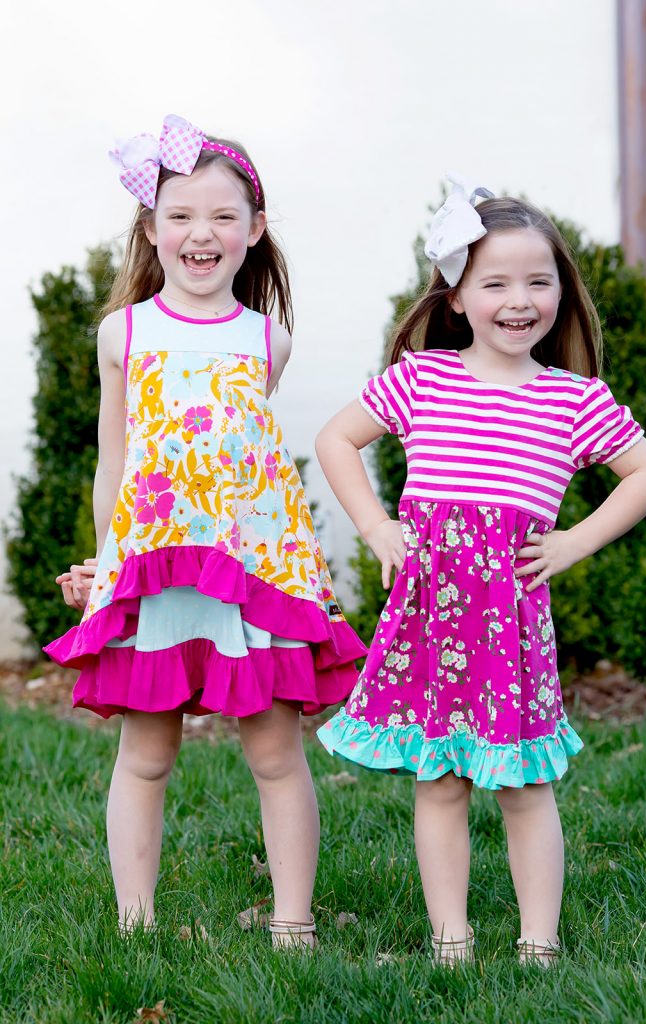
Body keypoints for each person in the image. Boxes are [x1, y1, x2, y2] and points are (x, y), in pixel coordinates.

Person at [315, 182, 646, 965]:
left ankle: (537, 942)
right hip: (432, 618)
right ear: (457, 297)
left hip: (510, 622)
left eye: (538, 281)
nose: (520, 300)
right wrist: (377, 527)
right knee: (439, 778)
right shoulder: (421, 380)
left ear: (560, 292)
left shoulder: (573, 400)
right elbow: (336, 440)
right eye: (496, 282)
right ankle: (451, 938)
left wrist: (575, 540)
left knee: (521, 784)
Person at [45, 114, 365, 945]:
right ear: (150, 230)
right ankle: (134, 924)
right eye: (181, 215)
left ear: (254, 232)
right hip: (155, 569)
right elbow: (114, 462)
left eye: (224, 216)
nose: (201, 233)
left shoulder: (268, 339)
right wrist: (104, 563)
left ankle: (293, 923)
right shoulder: (124, 333)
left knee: (274, 755)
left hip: (248, 569)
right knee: (146, 755)